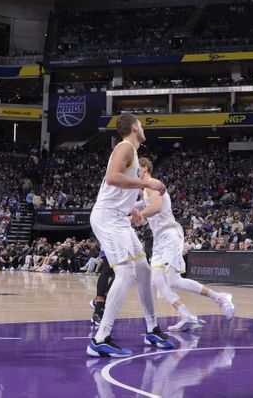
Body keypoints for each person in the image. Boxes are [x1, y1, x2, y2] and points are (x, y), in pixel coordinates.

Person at [86, 114, 173, 358]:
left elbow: (116, 187)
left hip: (118, 217)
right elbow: (112, 177)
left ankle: (152, 328)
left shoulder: (131, 153)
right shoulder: (125, 146)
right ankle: (100, 338)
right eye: (142, 125)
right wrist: (146, 185)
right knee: (124, 272)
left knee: (143, 270)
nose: (144, 129)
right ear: (134, 127)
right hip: (107, 217)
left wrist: (132, 208)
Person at [139, 158, 235, 331]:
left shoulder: (153, 184)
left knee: (172, 280)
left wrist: (134, 217)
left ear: (145, 168)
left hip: (170, 235)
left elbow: (155, 207)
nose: (133, 173)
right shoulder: (144, 191)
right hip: (159, 240)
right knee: (157, 280)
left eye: (136, 168)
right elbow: (138, 205)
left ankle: (219, 297)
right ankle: (187, 315)